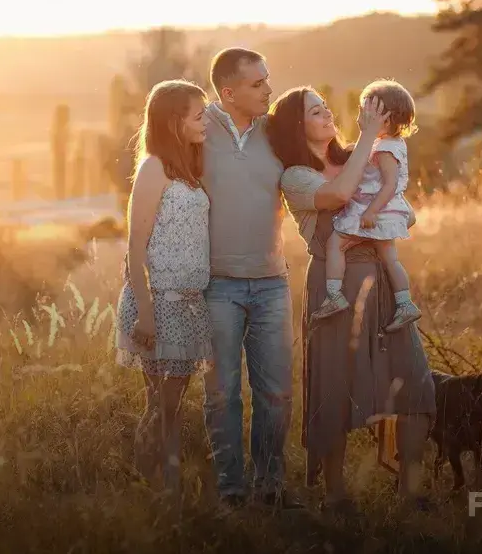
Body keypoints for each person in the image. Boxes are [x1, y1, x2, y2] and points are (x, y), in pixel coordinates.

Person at [268, 86, 436, 513]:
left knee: (413, 378)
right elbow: (340, 195)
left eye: (326, 106)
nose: (328, 113)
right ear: (296, 125)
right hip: (334, 286)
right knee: (334, 384)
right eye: (315, 111)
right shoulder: (295, 176)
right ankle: (336, 493)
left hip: (381, 277)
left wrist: (389, 209)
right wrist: (367, 138)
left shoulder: (358, 157)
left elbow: (404, 207)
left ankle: (411, 487)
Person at [199, 48, 301, 509]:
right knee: (222, 394)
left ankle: (270, 486)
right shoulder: (198, 128)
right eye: (257, 84)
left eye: (267, 80)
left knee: (276, 393)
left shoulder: (276, 131)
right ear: (228, 92)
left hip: (271, 282)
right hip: (217, 285)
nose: (268, 90)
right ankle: (231, 489)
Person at [114, 79, 213, 499]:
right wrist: (146, 311)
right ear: (175, 122)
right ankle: (152, 485)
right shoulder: (153, 169)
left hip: (189, 305)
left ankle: (168, 485)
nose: (206, 122)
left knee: (173, 403)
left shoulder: (188, 167)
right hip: (158, 304)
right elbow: (135, 247)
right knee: (160, 403)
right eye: (199, 115)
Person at [310, 79, 422, 333]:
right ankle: (405, 303)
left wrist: (371, 212)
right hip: (384, 211)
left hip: (373, 211)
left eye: (364, 112)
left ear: (384, 119)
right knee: (390, 258)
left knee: (335, 243)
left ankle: (334, 295)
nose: (358, 117)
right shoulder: (391, 143)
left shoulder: (383, 150)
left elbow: (390, 184)